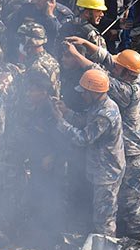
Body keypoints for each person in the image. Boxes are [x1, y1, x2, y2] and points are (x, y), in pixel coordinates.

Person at [53, 68, 126, 236]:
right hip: (99, 169)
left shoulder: (105, 114)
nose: (82, 95)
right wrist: (67, 113)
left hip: (107, 172)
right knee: (97, 213)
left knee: (104, 219)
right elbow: (84, 120)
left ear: (94, 92)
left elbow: (83, 139)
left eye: (85, 92)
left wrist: (60, 121)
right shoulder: (97, 105)